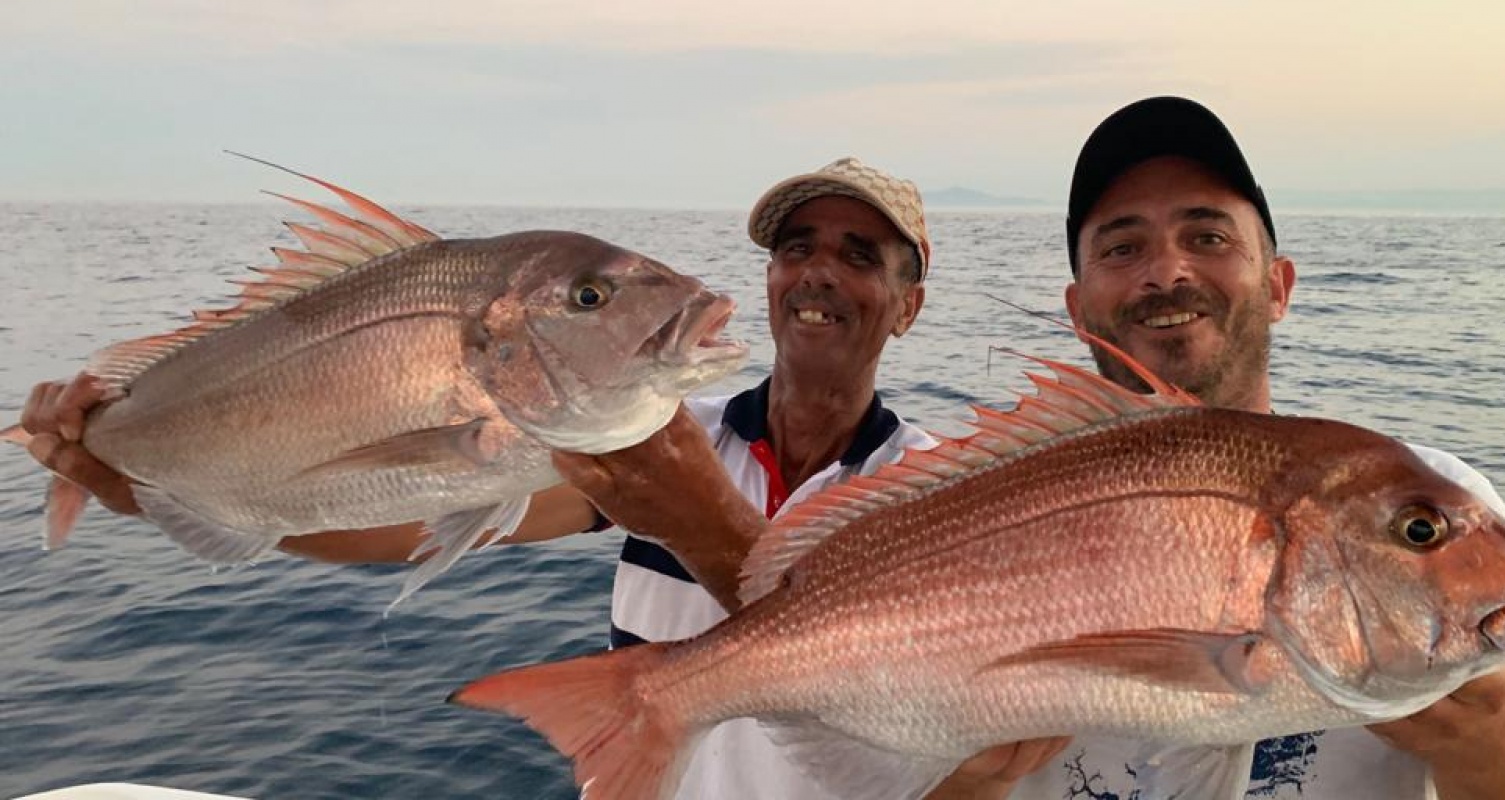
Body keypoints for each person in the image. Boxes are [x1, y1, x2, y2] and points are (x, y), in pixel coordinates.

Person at [15, 156, 1060, 798]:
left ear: (910, 302)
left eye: (862, 254)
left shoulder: (944, 483)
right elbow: (376, 525)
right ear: (772, 279)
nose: (819, 270)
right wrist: (125, 479)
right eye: (796, 246)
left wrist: (699, 519)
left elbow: (952, 730)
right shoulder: (647, 439)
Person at [989, 95, 1505, 800]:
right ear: (1076, 309)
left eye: (1209, 238)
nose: (1167, 272)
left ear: (1278, 285)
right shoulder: (985, 492)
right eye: (1124, 248)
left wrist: (1494, 745)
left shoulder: (1440, 482)